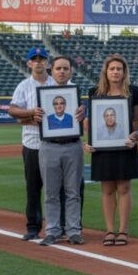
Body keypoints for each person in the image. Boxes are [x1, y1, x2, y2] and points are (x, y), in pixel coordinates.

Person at [84, 55, 138, 247]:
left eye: (119, 68)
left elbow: (135, 121)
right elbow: (91, 122)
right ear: (106, 71)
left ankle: (123, 230)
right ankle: (110, 230)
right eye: (112, 69)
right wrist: (89, 141)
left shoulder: (133, 91)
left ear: (124, 72)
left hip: (125, 146)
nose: (115, 72)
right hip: (102, 148)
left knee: (124, 187)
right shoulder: (95, 92)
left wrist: (134, 137)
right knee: (107, 189)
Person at [8, 46, 56, 239]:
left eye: (42, 59)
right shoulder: (24, 85)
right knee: (33, 188)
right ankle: (33, 227)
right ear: (29, 63)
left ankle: (56, 227)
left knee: (55, 188)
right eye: (35, 59)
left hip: (55, 143)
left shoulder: (57, 83)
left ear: (47, 62)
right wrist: (30, 113)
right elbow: (13, 110)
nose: (38, 62)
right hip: (32, 144)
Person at [37, 56, 86, 246]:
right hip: (49, 146)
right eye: (58, 68)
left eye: (66, 68)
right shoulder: (42, 93)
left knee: (73, 191)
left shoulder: (76, 93)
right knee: (51, 192)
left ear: (71, 71)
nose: (62, 71)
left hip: (73, 145)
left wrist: (85, 111)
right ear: (52, 71)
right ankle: (52, 230)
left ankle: (73, 231)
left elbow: (85, 114)